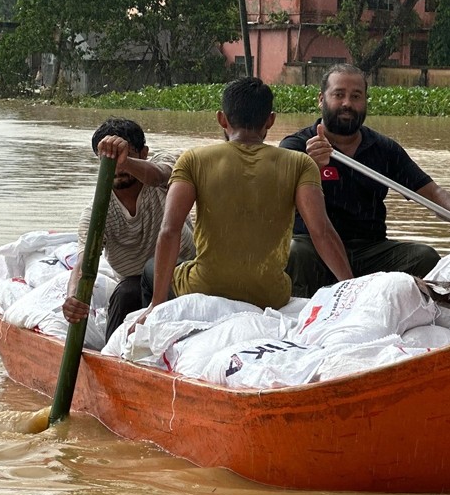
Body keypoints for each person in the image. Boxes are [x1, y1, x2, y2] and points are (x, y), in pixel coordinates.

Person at [138, 76, 352, 322]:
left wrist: (156, 304)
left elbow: (169, 230)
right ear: (270, 120)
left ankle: (153, 322)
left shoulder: (192, 159)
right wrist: (352, 287)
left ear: (222, 119)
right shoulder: (300, 163)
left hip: (205, 285)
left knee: (149, 269)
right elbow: (321, 231)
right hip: (270, 294)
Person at [278, 63, 450, 298]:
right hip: (313, 249)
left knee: (425, 257)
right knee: (294, 252)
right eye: (338, 95)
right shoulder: (296, 146)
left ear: (365, 102)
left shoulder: (384, 149)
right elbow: (277, 202)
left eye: (356, 96)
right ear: (321, 99)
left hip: (370, 250)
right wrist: (312, 166)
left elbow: (432, 192)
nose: (347, 103)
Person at [61, 119, 194, 340]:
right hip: (134, 287)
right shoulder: (98, 212)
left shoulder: (163, 169)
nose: (117, 167)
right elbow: (85, 264)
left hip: (184, 273)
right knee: (126, 293)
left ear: (144, 153)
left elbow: (160, 174)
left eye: (127, 155)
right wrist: (73, 297)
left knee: (154, 273)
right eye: (107, 160)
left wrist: (125, 162)